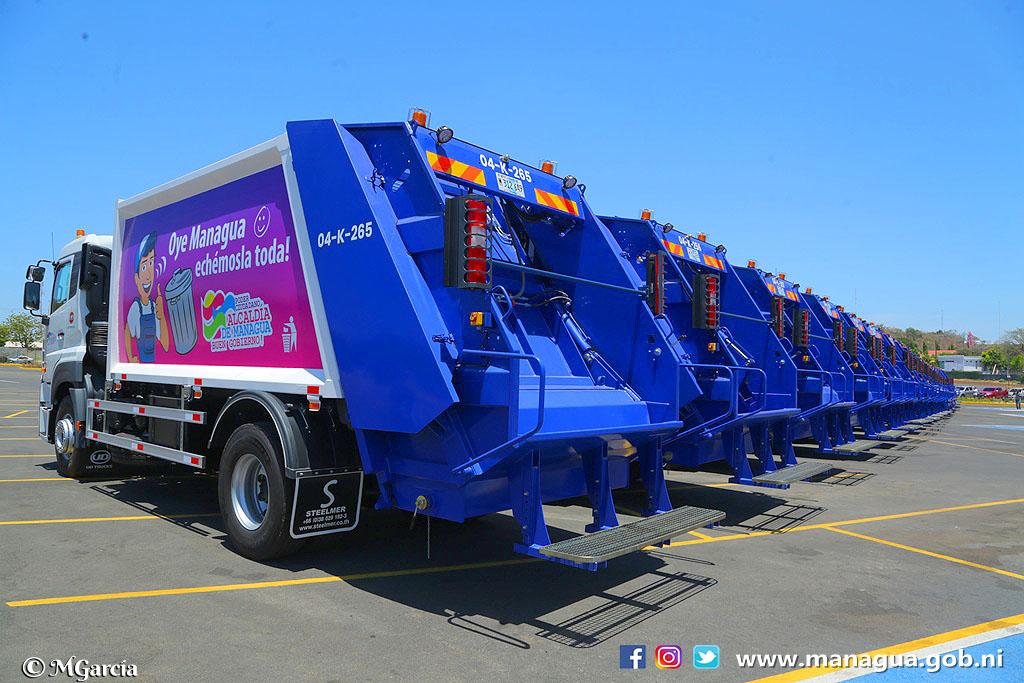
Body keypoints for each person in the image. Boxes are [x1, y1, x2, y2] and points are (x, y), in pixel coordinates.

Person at [124, 231, 169, 363]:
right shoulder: (136, 308)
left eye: (151, 263)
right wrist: (130, 357)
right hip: (143, 363)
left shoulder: (154, 306)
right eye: (144, 266)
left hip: (151, 365)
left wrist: (161, 318)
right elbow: (127, 332)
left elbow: (165, 344)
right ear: (136, 278)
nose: (149, 274)